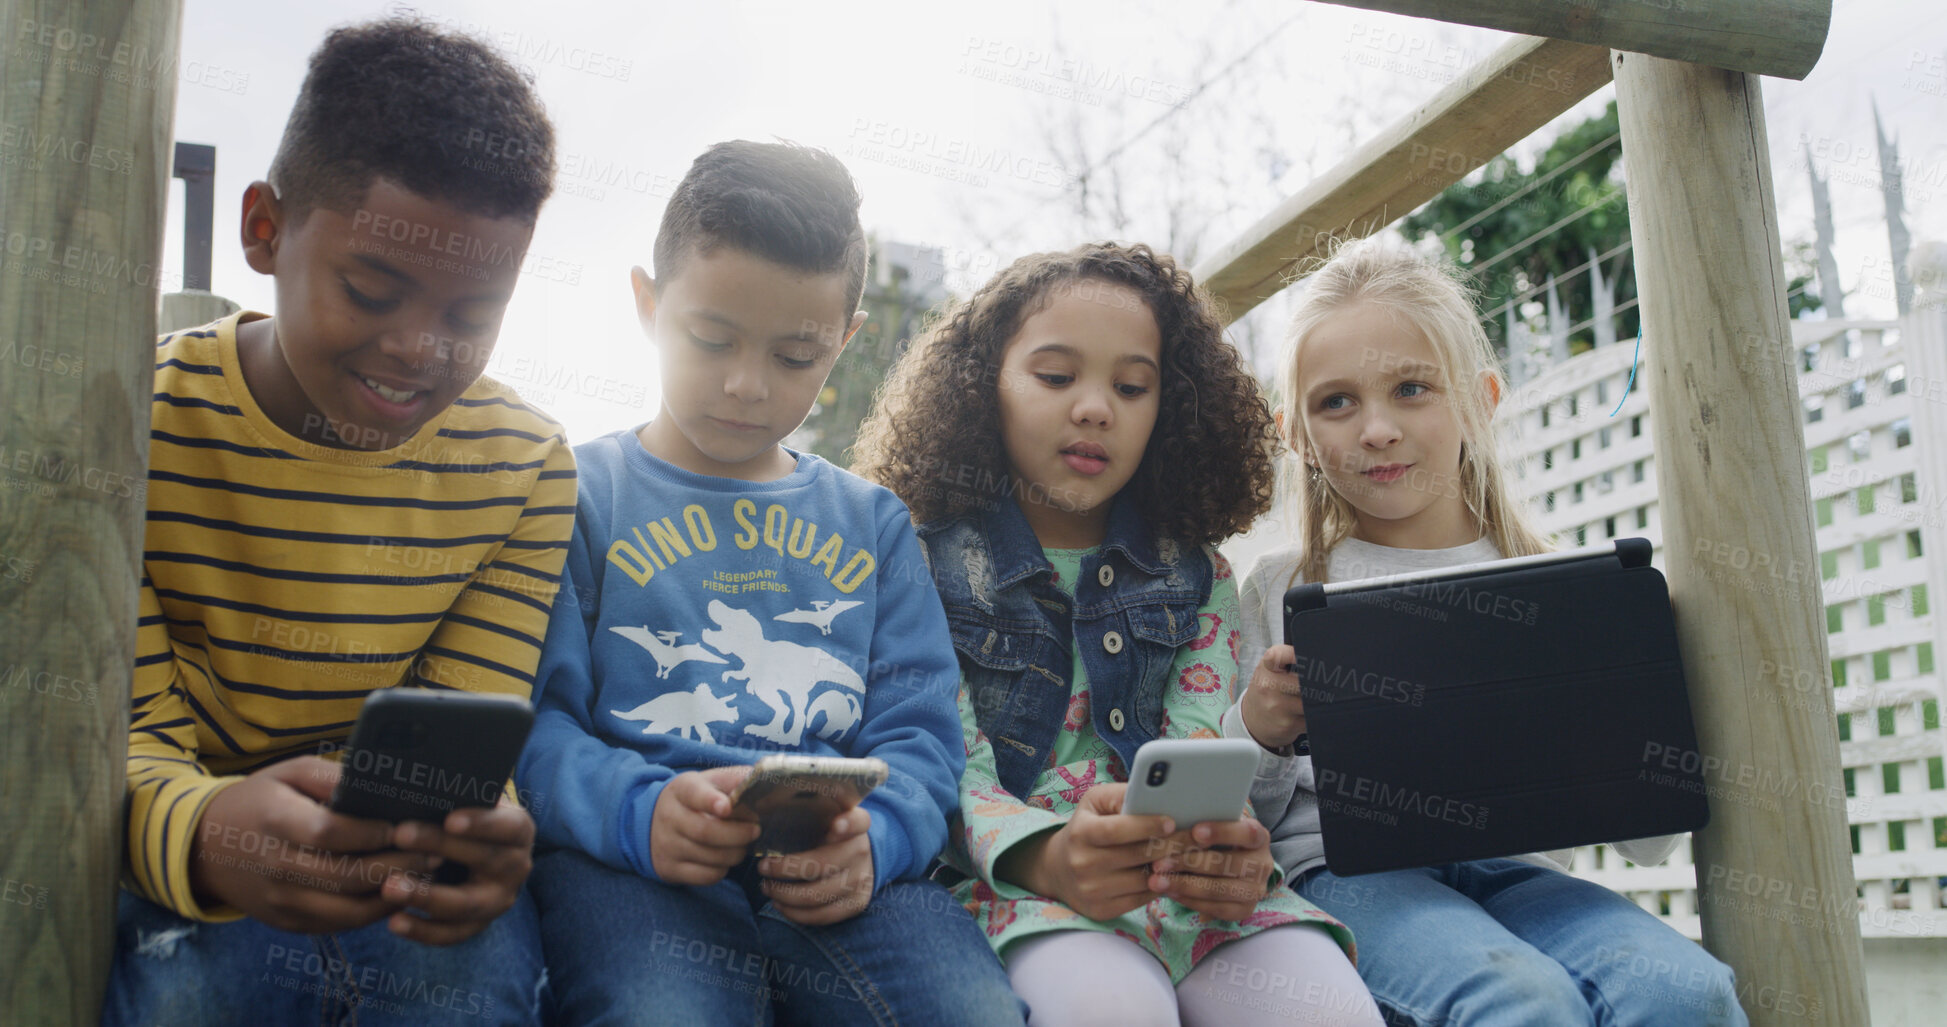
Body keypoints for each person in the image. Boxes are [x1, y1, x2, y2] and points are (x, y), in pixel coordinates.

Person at [107, 18, 572, 1027]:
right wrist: (205, 831)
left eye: (472, 315)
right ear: (265, 230)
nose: (417, 348)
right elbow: (117, 738)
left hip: (393, 869)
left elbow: (467, 725)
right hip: (188, 849)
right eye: (371, 289)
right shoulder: (127, 430)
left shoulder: (526, 464)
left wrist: (487, 831)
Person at [516, 140, 1026, 1026]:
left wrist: (882, 836)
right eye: (710, 339)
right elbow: (538, 726)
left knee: (967, 1010)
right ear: (646, 303)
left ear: (846, 339)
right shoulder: (577, 495)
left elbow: (918, 727)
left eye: (795, 356)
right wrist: (638, 813)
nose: (745, 384)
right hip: (633, 858)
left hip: (837, 854)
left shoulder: (872, 521)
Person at [853, 243, 1383, 1027]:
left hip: (1189, 895)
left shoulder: (1198, 575)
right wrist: (1048, 854)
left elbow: (1201, 752)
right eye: (1056, 376)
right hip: (1018, 885)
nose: (1096, 406)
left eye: (1130, 386)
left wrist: (1222, 845)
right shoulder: (918, 564)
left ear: (1166, 408)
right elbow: (937, 763)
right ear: (980, 390)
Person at [1224, 235, 1745, 1026]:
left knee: (1684, 990)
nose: (1375, 429)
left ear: (1479, 399)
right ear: (1295, 431)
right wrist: (1258, 729)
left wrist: (1640, 696)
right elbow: (1239, 823)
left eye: (1410, 388)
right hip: (1342, 877)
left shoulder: (1560, 585)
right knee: (1519, 999)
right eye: (1336, 401)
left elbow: (1649, 840)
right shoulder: (1280, 587)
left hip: (1519, 875)